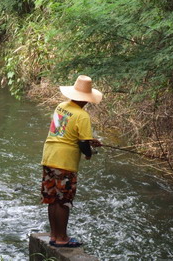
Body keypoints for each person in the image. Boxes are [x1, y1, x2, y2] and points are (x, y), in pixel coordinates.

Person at [41, 75, 103, 247]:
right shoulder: (82, 115)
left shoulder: (61, 107)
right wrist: (88, 153)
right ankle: (62, 239)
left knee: (53, 198)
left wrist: (88, 140)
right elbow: (82, 143)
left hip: (49, 156)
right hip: (64, 161)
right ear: (87, 99)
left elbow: (65, 132)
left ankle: (54, 235)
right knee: (64, 200)